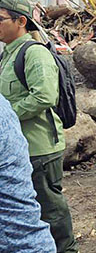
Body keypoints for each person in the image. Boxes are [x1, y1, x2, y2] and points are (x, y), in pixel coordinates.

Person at [0, 0, 78, 253]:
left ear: (20, 21)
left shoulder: (33, 54)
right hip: (19, 149)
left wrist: (7, 116)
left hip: (39, 147)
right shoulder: (7, 55)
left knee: (50, 209)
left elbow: (44, 96)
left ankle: (66, 249)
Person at [0, 94, 56, 253]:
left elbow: (45, 97)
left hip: (43, 146)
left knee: (52, 206)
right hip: (24, 144)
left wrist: (14, 110)